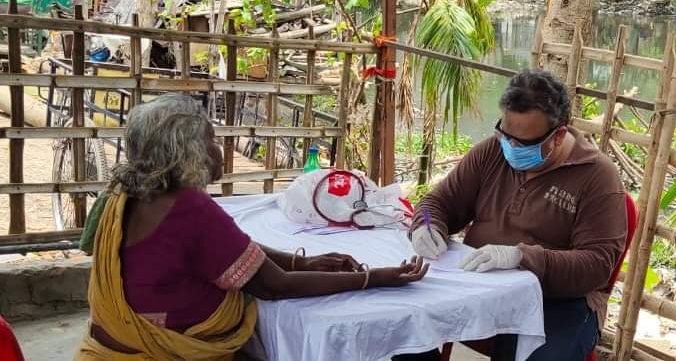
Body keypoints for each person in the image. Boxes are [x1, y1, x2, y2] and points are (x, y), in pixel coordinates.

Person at [75, 94, 428, 360]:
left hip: (116, 343)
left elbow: (227, 253)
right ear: (187, 152)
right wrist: (374, 279)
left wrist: (301, 261)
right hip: (165, 350)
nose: (218, 151)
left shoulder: (123, 193)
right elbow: (274, 286)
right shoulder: (189, 209)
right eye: (211, 140)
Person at [404, 69, 627, 361]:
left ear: (559, 135)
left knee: (544, 357)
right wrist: (426, 225)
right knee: (408, 335)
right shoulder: (493, 151)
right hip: (481, 287)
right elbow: (440, 202)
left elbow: (597, 265)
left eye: (525, 143)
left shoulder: (598, 177)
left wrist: (524, 258)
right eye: (506, 134)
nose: (512, 147)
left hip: (559, 301)